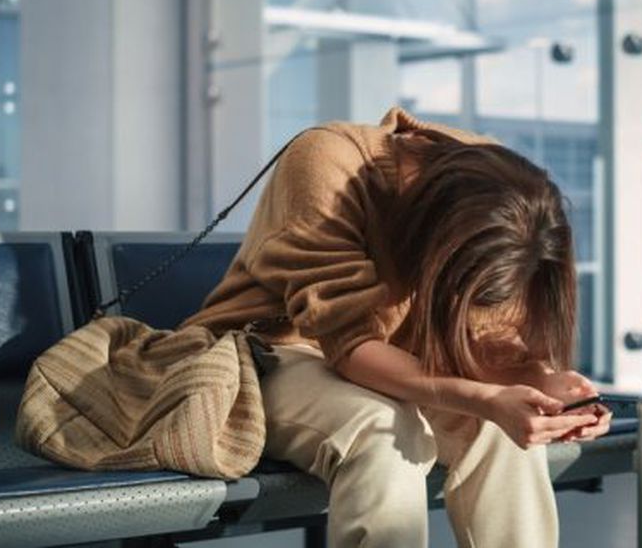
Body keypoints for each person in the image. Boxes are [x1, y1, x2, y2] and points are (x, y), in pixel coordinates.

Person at [180, 107, 611, 547]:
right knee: (382, 429)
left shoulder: (502, 191)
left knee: (502, 435)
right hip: (270, 353)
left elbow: (484, 336)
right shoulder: (328, 160)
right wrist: (482, 396)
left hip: (392, 365)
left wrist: (542, 382)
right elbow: (350, 342)